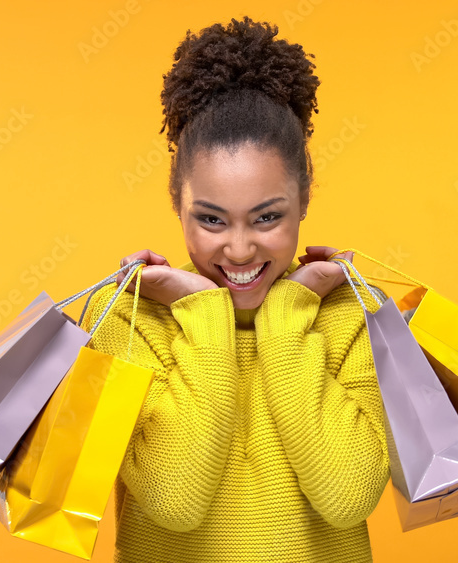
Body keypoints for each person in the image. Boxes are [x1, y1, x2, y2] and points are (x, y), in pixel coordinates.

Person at [80, 15, 390, 563]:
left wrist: (290, 310)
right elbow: (175, 500)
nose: (241, 251)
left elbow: (348, 498)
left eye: (267, 217)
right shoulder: (125, 320)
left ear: (304, 201)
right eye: (213, 221)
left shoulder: (353, 315)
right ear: (178, 203)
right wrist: (202, 312)